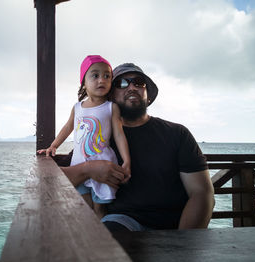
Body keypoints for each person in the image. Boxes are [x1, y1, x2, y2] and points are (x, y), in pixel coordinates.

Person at [59, 63, 215, 231]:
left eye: (139, 82)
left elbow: (201, 193)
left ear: (147, 94)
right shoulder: (98, 137)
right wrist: (88, 169)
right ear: (110, 96)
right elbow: (57, 178)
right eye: (122, 83)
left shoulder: (177, 134)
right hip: (122, 222)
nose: (132, 87)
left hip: (173, 226)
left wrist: (184, 244)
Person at [37, 55, 131, 218]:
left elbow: (119, 135)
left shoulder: (111, 107)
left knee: (100, 209)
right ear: (84, 82)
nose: (101, 80)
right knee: (84, 208)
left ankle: (101, 239)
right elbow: (68, 128)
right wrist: (53, 146)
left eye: (107, 76)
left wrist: (127, 160)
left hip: (103, 164)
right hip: (79, 164)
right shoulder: (78, 107)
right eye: (95, 75)